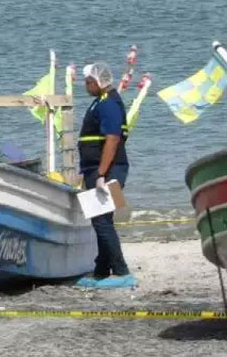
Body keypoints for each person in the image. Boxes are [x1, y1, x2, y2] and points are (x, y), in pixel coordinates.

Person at [75, 63, 136, 289]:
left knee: (101, 221)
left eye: (89, 82)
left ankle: (122, 272)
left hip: (108, 170)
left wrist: (101, 174)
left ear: (99, 82)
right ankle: (101, 270)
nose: (86, 86)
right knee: (101, 219)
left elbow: (112, 140)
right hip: (95, 169)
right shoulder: (101, 101)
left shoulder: (109, 104)